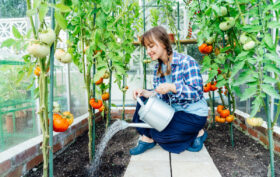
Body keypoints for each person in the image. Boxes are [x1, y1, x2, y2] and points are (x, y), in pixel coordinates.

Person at [130, 26, 208, 155]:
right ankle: (148, 139)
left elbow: (197, 93)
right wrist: (145, 93)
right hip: (173, 113)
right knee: (143, 100)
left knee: (161, 136)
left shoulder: (187, 62)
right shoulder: (158, 68)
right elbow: (159, 96)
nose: (148, 51)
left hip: (193, 114)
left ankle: (198, 132)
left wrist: (173, 87)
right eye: (146, 48)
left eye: (151, 46)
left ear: (163, 43)